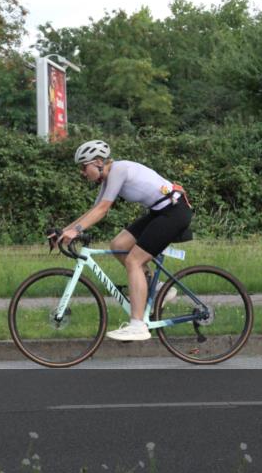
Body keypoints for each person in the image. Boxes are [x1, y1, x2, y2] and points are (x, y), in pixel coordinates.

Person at [53, 140, 192, 341]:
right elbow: (94, 210)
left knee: (134, 261)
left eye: (84, 167)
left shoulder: (119, 170)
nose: (82, 173)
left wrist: (75, 231)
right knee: (118, 245)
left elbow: (103, 210)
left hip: (174, 212)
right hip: (160, 211)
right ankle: (159, 288)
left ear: (99, 162)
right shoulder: (109, 177)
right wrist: (65, 231)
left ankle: (138, 325)